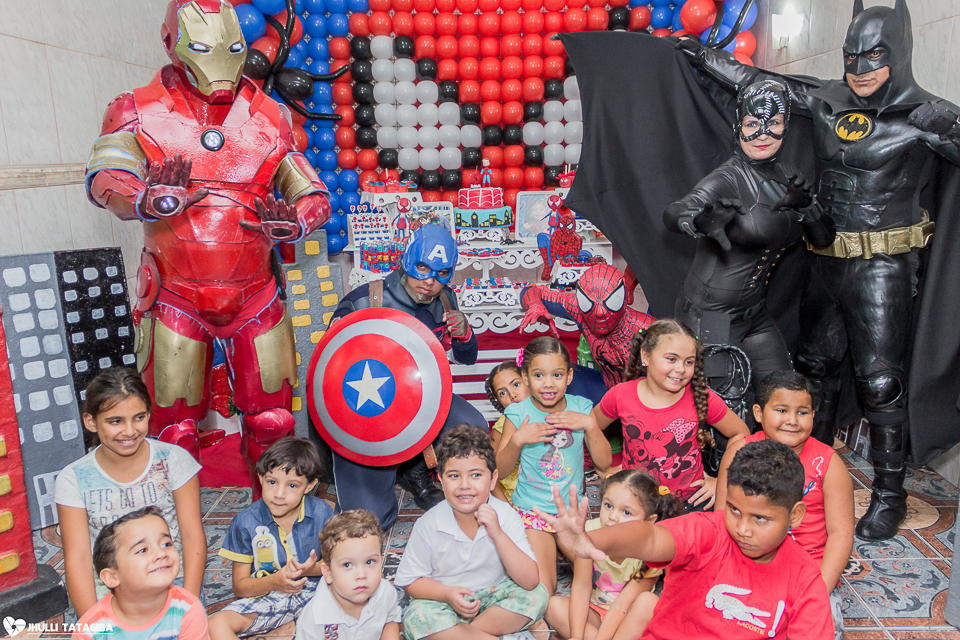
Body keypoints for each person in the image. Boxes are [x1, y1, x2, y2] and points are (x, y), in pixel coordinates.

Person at [675, 0, 960, 541]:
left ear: (899, 52)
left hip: (883, 265)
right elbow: (759, 81)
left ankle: (890, 495)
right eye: (851, 56)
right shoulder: (829, 99)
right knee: (814, 369)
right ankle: (813, 474)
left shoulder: (925, 117)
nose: (859, 67)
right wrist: (699, 56)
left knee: (879, 382)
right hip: (825, 257)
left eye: (873, 55)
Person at [85, 0, 332, 479]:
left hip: (255, 293)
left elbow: (311, 191)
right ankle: (175, 531)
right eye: (200, 47)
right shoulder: (136, 109)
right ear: (170, 43)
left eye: (234, 49)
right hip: (176, 294)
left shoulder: (268, 116)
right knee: (173, 428)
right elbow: (105, 175)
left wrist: (297, 221)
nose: (219, 62)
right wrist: (145, 197)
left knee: (274, 422)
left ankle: (275, 524)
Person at [540, 439, 833, 639]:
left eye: (760, 518)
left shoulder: (805, 579)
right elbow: (650, 538)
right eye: (733, 509)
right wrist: (592, 539)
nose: (742, 528)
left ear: (795, 515)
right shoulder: (708, 531)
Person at [663, 80, 836, 392]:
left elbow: (824, 239)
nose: (762, 135)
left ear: (786, 127)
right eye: (753, 123)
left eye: (773, 124)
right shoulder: (728, 178)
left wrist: (808, 207)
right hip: (710, 316)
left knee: (784, 397)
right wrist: (699, 220)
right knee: (725, 414)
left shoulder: (787, 175)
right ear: (738, 126)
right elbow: (674, 212)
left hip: (755, 314)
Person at [329, 224, 485, 528]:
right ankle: (399, 468)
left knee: (473, 430)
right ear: (407, 260)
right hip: (370, 412)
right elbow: (330, 374)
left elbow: (467, 358)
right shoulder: (364, 300)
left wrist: (465, 334)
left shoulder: (445, 301)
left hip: (424, 402)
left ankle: (415, 469)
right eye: (422, 268)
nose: (428, 282)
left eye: (440, 274)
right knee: (369, 521)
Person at [55, 368, 205, 618]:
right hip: (110, 589)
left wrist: (189, 605)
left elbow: (192, 536)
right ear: (90, 422)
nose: (129, 430)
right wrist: (93, 624)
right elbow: (78, 557)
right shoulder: (73, 479)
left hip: (169, 581)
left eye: (139, 417)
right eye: (115, 421)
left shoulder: (173, 461)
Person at [715, 371, 854, 639]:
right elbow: (721, 517)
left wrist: (817, 590)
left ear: (814, 415)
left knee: (821, 630)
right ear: (758, 412)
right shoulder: (739, 451)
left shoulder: (829, 463)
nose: (792, 420)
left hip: (808, 572)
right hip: (746, 563)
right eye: (781, 410)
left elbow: (842, 534)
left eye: (803, 412)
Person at [395, 424, 549, 640]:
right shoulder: (428, 524)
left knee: (538, 595)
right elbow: (411, 582)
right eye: (454, 476)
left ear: (493, 479)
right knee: (416, 618)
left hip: (495, 597)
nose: (465, 485)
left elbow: (530, 580)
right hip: (445, 602)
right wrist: (447, 594)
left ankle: (462, 634)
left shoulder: (505, 515)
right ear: (440, 479)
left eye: (476, 475)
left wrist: (498, 535)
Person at [496, 337, 612, 594]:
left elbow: (604, 464)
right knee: (544, 590)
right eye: (539, 375)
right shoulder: (517, 413)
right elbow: (500, 472)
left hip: (571, 514)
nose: (548, 383)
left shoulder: (582, 407)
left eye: (557, 375)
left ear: (569, 376)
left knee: (604, 576)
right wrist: (516, 441)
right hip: (532, 511)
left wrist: (590, 425)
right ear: (526, 377)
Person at [594, 320, 749, 510]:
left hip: (690, 504)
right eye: (671, 359)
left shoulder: (702, 397)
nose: (681, 369)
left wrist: (720, 481)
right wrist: (605, 469)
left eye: (689, 362)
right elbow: (591, 425)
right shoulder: (621, 395)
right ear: (646, 356)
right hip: (636, 502)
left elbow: (741, 434)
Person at [208, 437, 333, 640]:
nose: (279, 494)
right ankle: (287, 627)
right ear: (260, 478)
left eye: (292, 486)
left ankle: (289, 628)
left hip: (316, 592)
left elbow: (336, 566)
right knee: (215, 624)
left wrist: (311, 569)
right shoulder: (244, 522)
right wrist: (275, 582)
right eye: (272, 482)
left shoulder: (322, 512)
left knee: (363, 592)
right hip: (269, 596)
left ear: (309, 486)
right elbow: (240, 587)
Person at [544, 469, 683, 640]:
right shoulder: (589, 533)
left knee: (648, 602)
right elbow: (581, 587)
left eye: (626, 512)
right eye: (608, 506)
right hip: (594, 610)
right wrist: (576, 636)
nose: (613, 517)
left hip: (626, 619)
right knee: (553, 606)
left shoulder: (652, 554)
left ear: (649, 521)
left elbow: (620, 607)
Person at [72, 506, 209, 640]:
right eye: (143, 550)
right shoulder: (90, 629)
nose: (161, 553)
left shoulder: (188, 610)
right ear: (112, 577)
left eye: (166, 544)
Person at [295, 510, 402, 640]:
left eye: (369, 562)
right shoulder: (313, 619)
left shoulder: (386, 593)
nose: (361, 575)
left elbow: (390, 621)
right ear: (328, 572)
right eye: (347, 565)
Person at [485, 360, 531, 502]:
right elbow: (490, 473)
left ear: (528, 380)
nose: (512, 395)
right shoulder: (501, 427)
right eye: (503, 393)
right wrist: (507, 510)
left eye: (516, 385)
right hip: (516, 500)